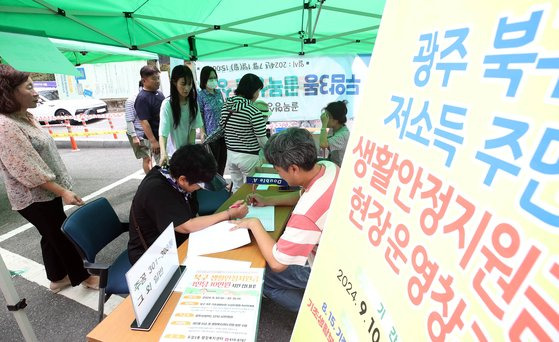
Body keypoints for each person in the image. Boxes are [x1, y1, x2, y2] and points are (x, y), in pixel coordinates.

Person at [0, 65, 99, 292]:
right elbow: (26, 169)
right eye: (29, 87)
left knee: (50, 233)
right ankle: (85, 277)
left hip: (45, 192)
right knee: (61, 234)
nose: (36, 92)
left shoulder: (25, 116)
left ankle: (57, 277)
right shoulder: (6, 125)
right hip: (33, 196)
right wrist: (63, 191)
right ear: (10, 92)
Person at [233, 128, 340, 312]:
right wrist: (269, 200)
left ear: (293, 169)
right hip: (339, 251)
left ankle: (313, 314)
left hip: (327, 268)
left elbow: (277, 263)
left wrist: (253, 223)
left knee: (261, 275)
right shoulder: (327, 167)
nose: (278, 175)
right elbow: (304, 193)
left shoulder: (306, 215)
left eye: (278, 170)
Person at [128, 144, 248, 264]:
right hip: (152, 256)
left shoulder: (178, 179)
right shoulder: (157, 190)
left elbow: (191, 216)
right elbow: (186, 226)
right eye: (199, 185)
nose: (199, 189)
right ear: (183, 179)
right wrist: (229, 214)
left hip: (177, 240)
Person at [221, 73, 267, 192]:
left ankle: (236, 208)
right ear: (252, 91)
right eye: (258, 90)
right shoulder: (253, 111)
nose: (258, 94)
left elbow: (222, 126)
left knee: (237, 188)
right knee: (252, 189)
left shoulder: (226, 105)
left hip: (231, 154)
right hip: (249, 157)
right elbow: (262, 140)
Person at [159, 65, 204, 166]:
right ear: (174, 82)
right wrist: (163, 154)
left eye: (189, 84)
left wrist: (190, 150)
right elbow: (163, 132)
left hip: (186, 155)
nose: (187, 88)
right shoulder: (167, 104)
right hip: (172, 156)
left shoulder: (193, 103)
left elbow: (193, 128)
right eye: (183, 84)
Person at [198, 66, 227, 175]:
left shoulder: (219, 93)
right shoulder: (201, 95)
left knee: (222, 162)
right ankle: (214, 186)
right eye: (210, 78)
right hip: (211, 135)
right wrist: (202, 132)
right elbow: (200, 114)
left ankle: (221, 185)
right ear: (204, 79)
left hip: (223, 134)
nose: (213, 80)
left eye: (215, 77)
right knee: (213, 165)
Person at [135, 65, 165, 165]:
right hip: (155, 138)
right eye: (153, 79)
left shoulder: (159, 94)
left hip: (164, 136)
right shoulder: (142, 98)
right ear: (144, 81)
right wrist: (153, 141)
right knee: (163, 165)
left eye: (158, 78)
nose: (157, 81)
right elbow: (144, 121)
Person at [125, 81, 152, 174]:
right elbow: (129, 120)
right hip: (138, 134)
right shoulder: (131, 100)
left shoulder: (148, 98)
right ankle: (149, 180)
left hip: (147, 133)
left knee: (150, 157)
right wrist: (134, 136)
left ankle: (151, 178)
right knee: (147, 158)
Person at [319, 100, 350, 166]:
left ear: (335, 120)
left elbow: (323, 145)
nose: (325, 119)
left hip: (340, 169)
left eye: (327, 117)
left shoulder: (343, 135)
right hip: (333, 162)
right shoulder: (334, 129)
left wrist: (324, 124)